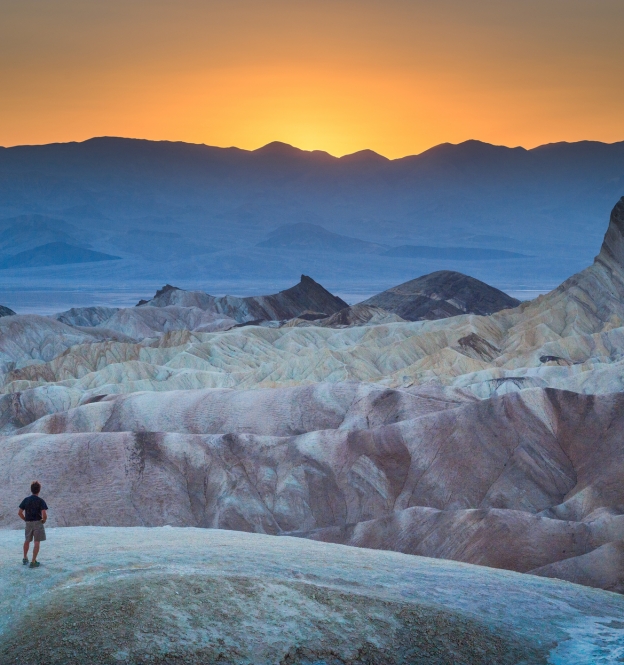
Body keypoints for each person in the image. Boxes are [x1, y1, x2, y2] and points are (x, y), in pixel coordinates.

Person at [18, 481, 48, 568]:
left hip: (28, 523)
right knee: (37, 542)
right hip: (38, 522)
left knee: (27, 540)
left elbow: (19, 512)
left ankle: (24, 557)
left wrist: (25, 519)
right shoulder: (41, 501)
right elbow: (44, 514)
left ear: (31, 490)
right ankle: (33, 561)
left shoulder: (26, 500)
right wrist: (43, 520)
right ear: (39, 490)